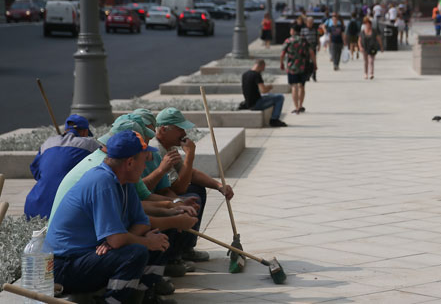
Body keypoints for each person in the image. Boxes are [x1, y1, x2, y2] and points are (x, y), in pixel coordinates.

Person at [47, 131, 173, 304]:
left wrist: (121, 239)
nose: (145, 166)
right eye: (144, 160)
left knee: (159, 241)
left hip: (90, 255)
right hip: (65, 265)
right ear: (129, 163)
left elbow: (142, 223)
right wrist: (124, 240)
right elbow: (116, 240)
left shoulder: (125, 182)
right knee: (137, 251)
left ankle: (144, 298)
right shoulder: (102, 181)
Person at [151, 108, 235, 264]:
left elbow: (190, 173)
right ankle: (173, 256)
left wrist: (218, 186)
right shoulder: (157, 150)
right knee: (190, 197)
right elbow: (179, 188)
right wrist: (190, 154)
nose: (184, 133)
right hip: (154, 198)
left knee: (197, 189)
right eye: (179, 128)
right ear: (163, 129)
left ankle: (187, 248)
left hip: (166, 193)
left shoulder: (168, 145)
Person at [24, 115, 98, 219]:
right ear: (85, 132)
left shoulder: (48, 143)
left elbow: (36, 172)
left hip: (33, 206)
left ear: (66, 129)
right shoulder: (91, 145)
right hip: (63, 210)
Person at [281, 24, 317, 114]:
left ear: (293, 31)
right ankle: (300, 105)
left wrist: (281, 63)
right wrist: (315, 64)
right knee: (301, 86)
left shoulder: (288, 40)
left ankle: (296, 107)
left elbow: (282, 54)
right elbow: (311, 52)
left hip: (291, 67)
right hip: (303, 66)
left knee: (294, 86)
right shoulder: (304, 40)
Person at [241, 59, 287, 127]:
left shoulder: (245, 74)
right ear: (261, 66)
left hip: (248, 103)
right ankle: (274, 120)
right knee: (280, 97)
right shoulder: (256, 75)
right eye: (263, 67)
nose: (263, 70)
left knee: (271, 95)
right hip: (256, 104)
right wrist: (269, 87)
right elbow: (263, 90)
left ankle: (274, 119)